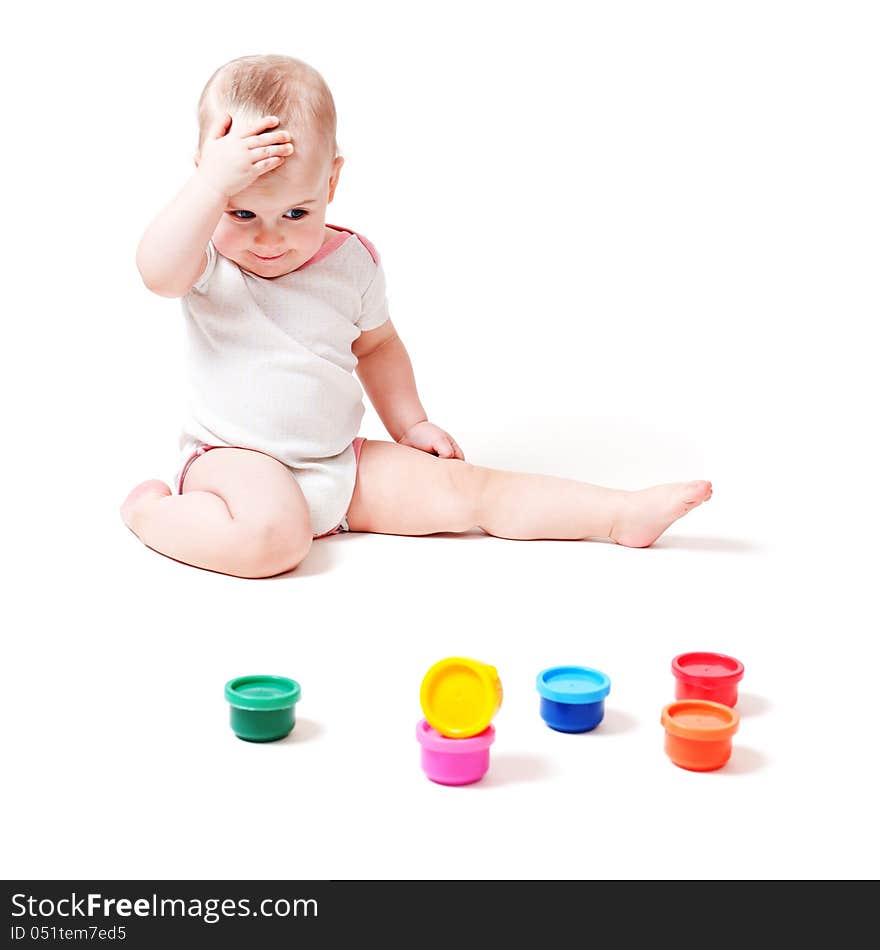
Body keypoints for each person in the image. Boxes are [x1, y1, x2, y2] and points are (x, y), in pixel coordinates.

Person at [121, 54, 713, 579]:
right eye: (242, 212)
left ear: (332, 179)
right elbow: (155, 272)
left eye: (297, 212)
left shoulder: (351, 262)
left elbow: (376, 348)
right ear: (207, 179)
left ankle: (617, 514)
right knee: (272, 539)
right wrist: (208, 186)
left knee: (468, 489)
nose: (269, 238)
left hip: (336, 463)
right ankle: (152, 514)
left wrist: (410, 426)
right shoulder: (204, 258)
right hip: (236, 463)